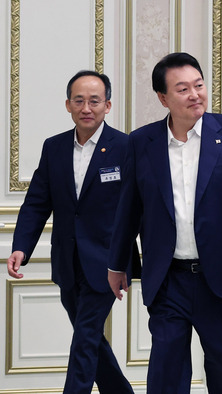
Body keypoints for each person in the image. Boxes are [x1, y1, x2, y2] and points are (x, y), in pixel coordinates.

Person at [107, 52, 222, 394]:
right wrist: (118, 263)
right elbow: (129, 208)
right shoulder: (142, 142)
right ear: (163, 98)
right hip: (169, 279)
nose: (195, 94)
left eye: (198, 85)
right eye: (183, 89)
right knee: (166, 373)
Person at [6, 70, 135, 394]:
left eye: (94, 101)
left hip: (108, 263)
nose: (86, 107)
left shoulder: (125, 147)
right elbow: (37, 202)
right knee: (88, 337)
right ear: (68, 105)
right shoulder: (55, 148)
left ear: (107, 105)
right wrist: (22, 246)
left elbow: (139, 207)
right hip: (67, 262)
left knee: (85, 337)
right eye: (79, 100)